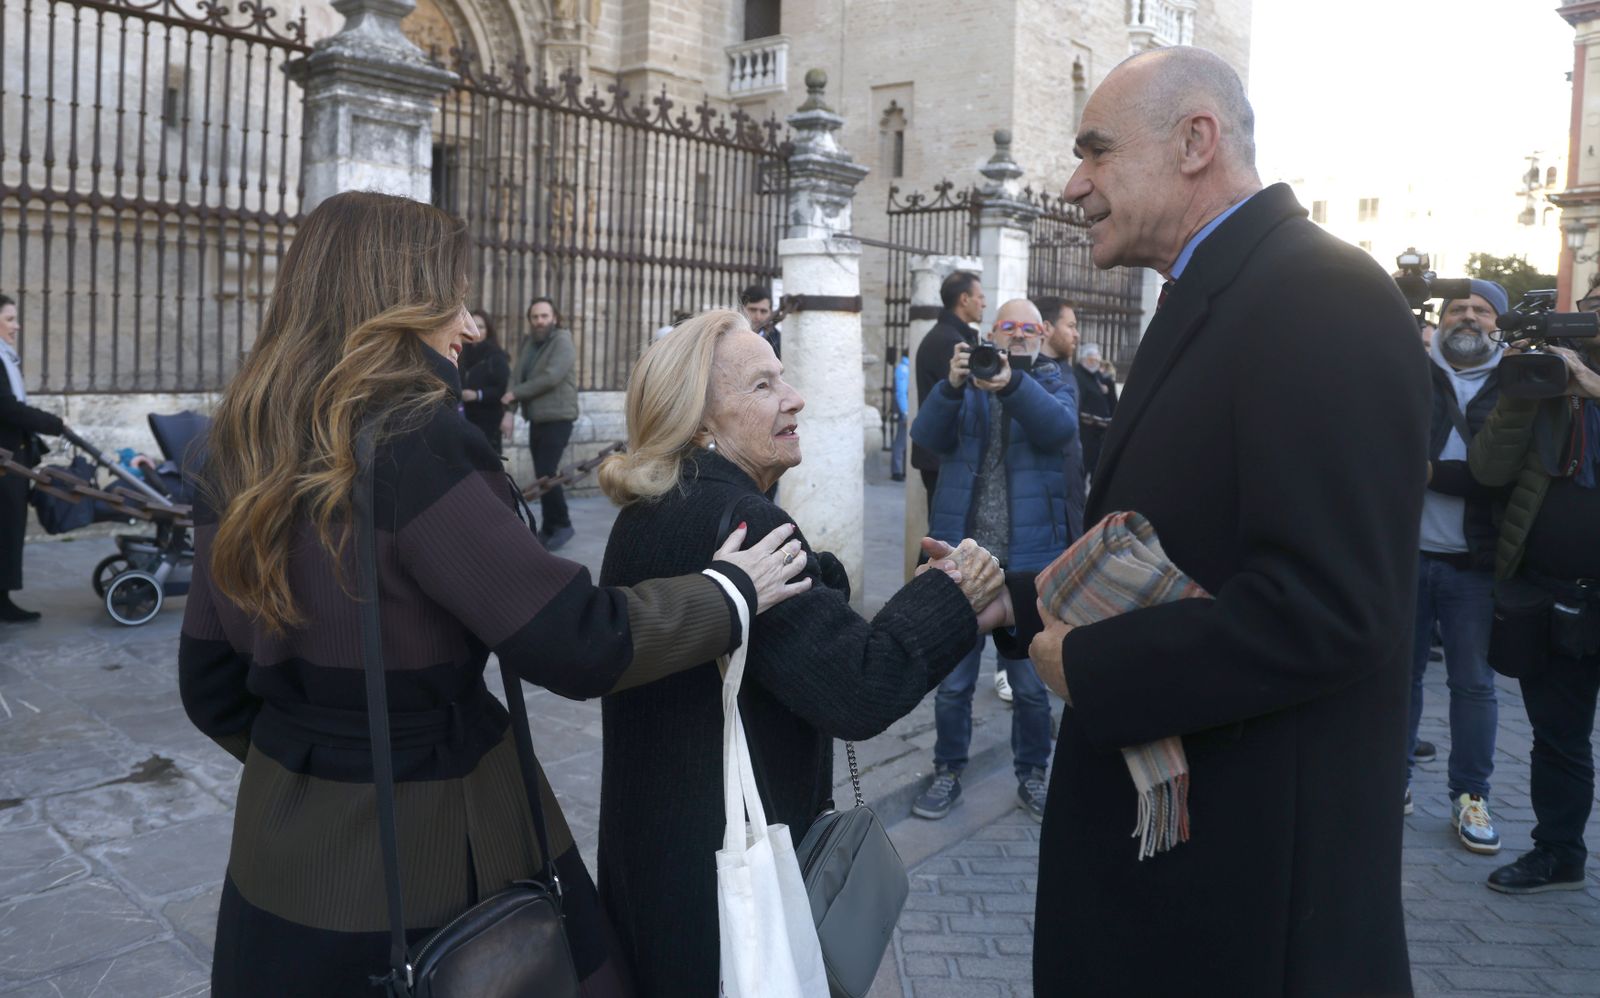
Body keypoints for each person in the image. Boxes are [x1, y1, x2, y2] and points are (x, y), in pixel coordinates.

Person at [177, 192, 811, 997]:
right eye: (454, 298)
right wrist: (727, 593)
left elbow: (208, 685)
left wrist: (307, 763)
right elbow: (573, 638)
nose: (468, 325)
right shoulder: (414, 441)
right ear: (401, 302)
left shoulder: (229, 444)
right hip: (438, 850)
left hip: (276, 859)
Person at [999, 47, 1427, 994]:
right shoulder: (1227, 290)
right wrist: (1016, 602)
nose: (1074, 184)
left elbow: (1331, 607)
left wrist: (1096, 666)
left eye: (1097, 152)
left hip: (1246, 911)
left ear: (1195, 141)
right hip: (1184, 889)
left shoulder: (1323, 295)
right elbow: (1178, 546)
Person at [593, 309, 1005, 997]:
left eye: (784, 376)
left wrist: (824, 578)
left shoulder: (654, 510)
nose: (795, 397)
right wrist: (952, 594)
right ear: (700, 423)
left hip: (655, 867)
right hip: (730, 889)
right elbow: (860, 685)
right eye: (762, 386)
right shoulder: (743, 521)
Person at [909, 299, 1077, 823]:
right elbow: (926, 440)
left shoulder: (1052, 379)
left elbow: (1059, 431)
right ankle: (947, 772)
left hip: (1028, 564)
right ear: (992, 335)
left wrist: (1010, 385)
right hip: (965, 557)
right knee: (954, 683)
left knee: (1029, 686)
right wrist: (952, 386)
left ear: (1043, 333)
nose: (1020, 336)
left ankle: (1033, 774)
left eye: (1030, 328)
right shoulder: (967, 386)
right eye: (1009, 328)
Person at [1470, 276, 1600, 894]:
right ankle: (1558, 852)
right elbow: (1488, 469)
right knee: (1558, 738)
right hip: (1556, 596)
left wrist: (1594, 388)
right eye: (1594, 304)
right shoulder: (1544, 381)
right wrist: (1523, 390)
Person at [1406, 279, 1508, 852]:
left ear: (1499, 323)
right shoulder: (1409, 371)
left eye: (1482, 310)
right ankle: (1390, 783)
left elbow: (1500, 475)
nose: (1468, 317)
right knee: (1402, 678)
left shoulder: (1518, 383)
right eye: (1457, 308)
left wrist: (1429, 474)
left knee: (1473, 685)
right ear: (1440, 319)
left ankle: (1471, 798)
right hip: (1406, 553)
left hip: (1475, 562)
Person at [0, 293, 65, 624]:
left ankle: (3, 598)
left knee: (9, 527)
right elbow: (7, 408)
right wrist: (51, 423)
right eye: (10, 319)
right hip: (4, 460)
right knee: (6, 527)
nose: (16, 325)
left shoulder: (5, 358)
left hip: (12, 457)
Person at [503, 296, 579, 550]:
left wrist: (515, 394)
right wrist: (509, 411)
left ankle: (563, 524)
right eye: (535, 317)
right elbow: (517, 376)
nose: (539, 321)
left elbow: (551, 377)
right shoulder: (530, 344)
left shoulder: (562, 341)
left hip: (558, 417)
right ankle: (549, 527)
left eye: (544, 316)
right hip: (537, 418)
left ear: (554, 318)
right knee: (542, 474)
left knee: (547, 472)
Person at [912, 271, 984, 515]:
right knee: (944, 539)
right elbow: (967, 398)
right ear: (964, 299)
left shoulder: (953, 336)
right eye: (979, 297)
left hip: (940, 455)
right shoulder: (949, 342)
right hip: (941, 456)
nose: (983, 303)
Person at [1034, 295, 1088, 537]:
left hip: (1071, 497)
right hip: (1048, 508)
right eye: (1071, 326)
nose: (1076, 335)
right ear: (1046, 328)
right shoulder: (1030, 378)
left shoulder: (1066, 371)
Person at [459, 308, 510, 454]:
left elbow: (502, 389)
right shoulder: (459, 353)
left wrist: (477, 394)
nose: (476, 330)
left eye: (481, 326)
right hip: (464, 420)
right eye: (472, 325)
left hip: (488, 422)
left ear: (488, 330)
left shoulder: (496, 357)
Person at [740, 283, 779, 358]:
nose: (758, 317)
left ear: (770, 312)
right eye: (753, 310)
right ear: (742, 309)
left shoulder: (779, 341)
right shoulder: (729, 336)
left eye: (763, 311)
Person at [891, 348, 910, 481]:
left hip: (906, 408)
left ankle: (901, 470)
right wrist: (905, 411)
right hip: (905, 410)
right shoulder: (903, 369)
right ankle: (897, 471)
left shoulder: (904, 368)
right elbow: (901, 392)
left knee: (903, 441)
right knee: (901, 442)